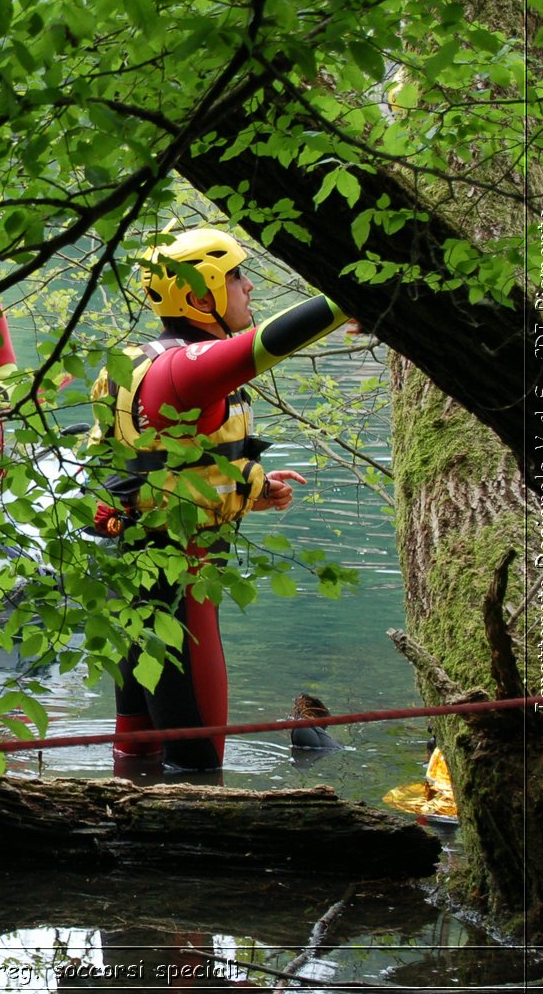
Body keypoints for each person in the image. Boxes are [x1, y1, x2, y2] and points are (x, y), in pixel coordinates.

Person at [90, 226, 349, 771]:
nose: (249, 287)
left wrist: (251, 487)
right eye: (235, 276)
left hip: (138, 576)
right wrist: (350, 298)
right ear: (201, 291)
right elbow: (265, 345)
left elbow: (163, 466)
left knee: (138, 750)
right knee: (200, 763)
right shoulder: (184, 370)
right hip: (183, 581)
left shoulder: (137, 359)